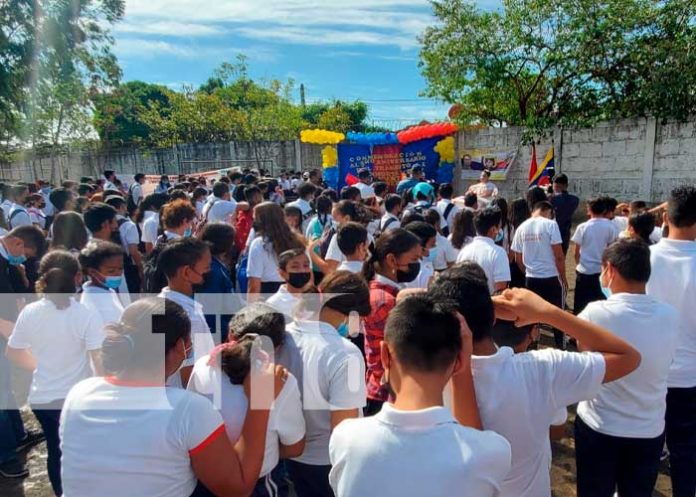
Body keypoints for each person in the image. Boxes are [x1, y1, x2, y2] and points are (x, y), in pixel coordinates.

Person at [429, 265, 641, 497]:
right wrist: (547, 312)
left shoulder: (421, 374)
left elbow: (404, 299)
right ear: (493, 317)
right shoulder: (540, 370)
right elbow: (629, 358)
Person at [59, 296, 284, 497]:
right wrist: (260, 401)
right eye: (189, 343)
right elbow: (237, 488)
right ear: (179, 347)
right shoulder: (187, 409)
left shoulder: (78, 394)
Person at [329, 293, 512, 497]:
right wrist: (463, 367)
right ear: (459, 361)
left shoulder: (345, 438)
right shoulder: (491, 453)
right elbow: (472, 442)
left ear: (384, 355)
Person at [575, 239, 680, 497]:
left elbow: (587, 358)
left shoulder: (594, 313)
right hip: (649, 428)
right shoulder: (670, 315)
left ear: (609, 270)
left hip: (600, 426)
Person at [7, 250, 105, 496]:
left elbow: (14, 352)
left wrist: (41, 366)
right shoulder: (85, 314)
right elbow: (99, 361)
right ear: (77, 277)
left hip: (42, 398)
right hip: (76, 398)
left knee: (56, 449)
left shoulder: (30, 313)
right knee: (84, 453)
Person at [188, 303, 306, 497]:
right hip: (259, 484)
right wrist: (266, 451)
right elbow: (295, 447)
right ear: (276, 348)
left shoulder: (203, 366)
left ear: (230, 335)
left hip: (206, 479)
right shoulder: (282, 382)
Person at [278, 271, 371, 497]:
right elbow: (343, 428)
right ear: (352, 314)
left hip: (288, 452)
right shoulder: (345, 353)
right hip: (326, 463)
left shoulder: (284, 336)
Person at [646, 185, 696, 497]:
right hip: (690, 378)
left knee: (645, 449)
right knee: (687, 453)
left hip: (649, 373)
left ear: (665, 217)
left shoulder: (642, 260)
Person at [362, 228, 422, 416]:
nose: (417, 264)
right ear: (392, 260)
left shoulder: (383, 292)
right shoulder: (384, 301)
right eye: (413, 260)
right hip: (388, 395)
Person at [0, 233, 45, 479]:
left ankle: (18, 435)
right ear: (17, 242)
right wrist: (19, 343)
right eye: (26, 254)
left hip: (6, 333)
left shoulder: (6, 261)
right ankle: (5, 457)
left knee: (6, 389)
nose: (23, 259)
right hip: (4, 332)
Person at [157, 238, 214, 388]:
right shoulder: (188, 316)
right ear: (187, 272)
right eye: (206, 268)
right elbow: (189, 373)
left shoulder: (160, 302)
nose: (209, 273)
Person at [511, 200, 567, 349]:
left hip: (531, 279)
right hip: (551, 277)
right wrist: (563, 276)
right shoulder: (550, 225)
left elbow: (517, 257)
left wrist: (528, 271)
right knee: (558, 314)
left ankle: (531, 346)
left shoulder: (521, 227)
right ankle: (561, 346)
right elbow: (559, 255)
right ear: (548, 211)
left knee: (530, 315)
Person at [571, 198, 619, 314]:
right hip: (602, 271)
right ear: (604, 210)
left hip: (584, 271)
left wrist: (579, 263)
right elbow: (612, 249)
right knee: (602, 303)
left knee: (581, 304)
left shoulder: (583, 227)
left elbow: (576, 251)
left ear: (589, 210)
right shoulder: (611, 227)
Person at [247, 202, 305, 297]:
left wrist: (250, 309)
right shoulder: (298, 240)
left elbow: (254, 285)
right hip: (296, 293)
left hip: (268, 294)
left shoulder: (259, 244)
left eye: (255, 219)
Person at [197, 222, 237, 342]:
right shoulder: (212, 270)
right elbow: (210, 310)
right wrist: (223, 335)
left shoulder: (216, 265)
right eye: (232, 240)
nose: (234, 244)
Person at [456, 206, 510, 294]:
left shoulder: (464, 252)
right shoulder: (498, 253)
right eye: (499, 226)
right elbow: (501, 290)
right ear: (493, 229)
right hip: (490, 305)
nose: (500, 229)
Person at [79, 240, 126, 325]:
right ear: (92, 272)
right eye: (111, 271)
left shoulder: (109, 290)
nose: (118, 274)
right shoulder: (93, 302)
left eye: (120, 268)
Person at [106, 195, 144, 295]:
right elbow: (133, 251)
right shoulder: (128, 225)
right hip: (127, 267)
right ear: (122, 206)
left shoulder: (105, 224)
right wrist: (140, 267)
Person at [267, 248, 314, 321]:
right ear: (282, 273)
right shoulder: (274, 304)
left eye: (306, 265)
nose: (302, 270)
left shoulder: (317, 298)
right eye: (295, 267)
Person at [550, 174, 580, 255]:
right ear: (566, 186)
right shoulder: (574, 199)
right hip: (565, 234)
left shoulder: (551, 199)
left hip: (551, 233)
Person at [402, 221, 438, 289]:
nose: (436, 246)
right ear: (420, 247)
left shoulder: (423, 262)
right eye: (432, 244)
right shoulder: (424, 275)